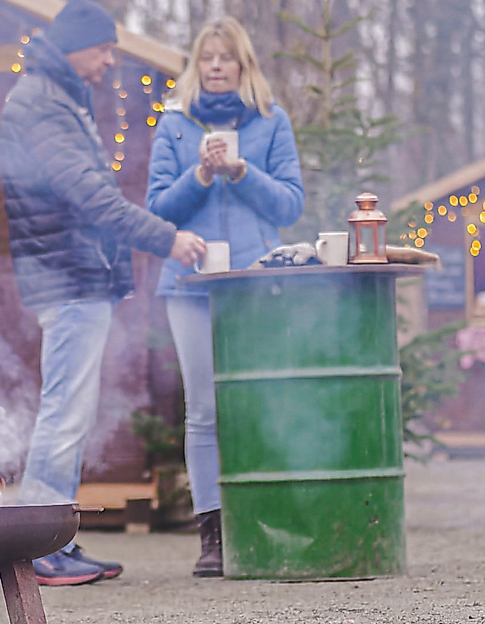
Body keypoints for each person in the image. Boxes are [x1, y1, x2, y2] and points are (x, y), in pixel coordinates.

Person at [0, 0, 206, 587]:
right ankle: (37, 548)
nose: (111, 59)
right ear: (75, 46)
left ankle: (51, 541)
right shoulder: (43, 105)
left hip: (75, 276)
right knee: (64, 413)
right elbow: (91, 198)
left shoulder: (60, 98)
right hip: (67, 278)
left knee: (70, 411)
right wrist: (168, 239)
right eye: (104, 48)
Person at [146, 17, 305, 577]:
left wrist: (241, 172)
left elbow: (290, 206)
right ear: (196, 65)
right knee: (207, 412)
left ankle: (263, 523)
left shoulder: (271, 121)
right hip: (189, 288)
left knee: (261, 403)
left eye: (226, 57)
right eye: (206, 57)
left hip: (258, 284)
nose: (215, 66)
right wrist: (201, 176)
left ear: (243, 65)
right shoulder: (174, 123)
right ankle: (212, 536)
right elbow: (159, 210)